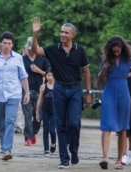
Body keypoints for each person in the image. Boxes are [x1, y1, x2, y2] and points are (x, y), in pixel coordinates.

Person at [31, 17, 92, 169]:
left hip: (75, 89)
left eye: (66, 32)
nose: (63, 34)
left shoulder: (80, 50)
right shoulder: (53, 49)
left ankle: (74, 150)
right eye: (61, 32)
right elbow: (35, 51)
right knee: (61, 125)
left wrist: (89, 92)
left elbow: (86, 71)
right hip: (59, 88)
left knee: (74, 123)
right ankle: (64, 159)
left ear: (73, 35)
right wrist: (35, 34)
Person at [98, 35, 131, 170]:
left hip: (124, 91)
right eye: (113, 51)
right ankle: (105, 158)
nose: (116, 53)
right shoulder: (106, 59)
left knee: (123, 126)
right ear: (109, 50)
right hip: (109, 90)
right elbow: (100, 78)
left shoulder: (129, 58)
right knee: (106, 124)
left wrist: (129, 75)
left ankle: (119, 160)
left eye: (118, 50)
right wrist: (105, 68)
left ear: (122, 49)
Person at [0, 31, 30, 161]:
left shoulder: (18, 58)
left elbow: (23, 76)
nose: (7, 46)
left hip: (13, 94)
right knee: (1, 123)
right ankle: (3, 150)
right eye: (4, 43)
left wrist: (27, 92)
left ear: (12, 44)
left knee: (10, 121)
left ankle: (7, 149)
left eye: (9, 43)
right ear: (0, 43)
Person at [21, 36, 49, 146]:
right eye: (29, 49)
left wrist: (39, 71)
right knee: (27, 115)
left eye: (32, 49)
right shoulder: (22, 60)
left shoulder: (42, 60)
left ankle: (33, 133)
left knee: (38, 115)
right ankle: (27, 138)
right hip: (25, 91)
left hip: (39, 91)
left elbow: (49, 75)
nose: (30, 51)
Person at [36, 68, 56, 156]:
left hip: (54, 111)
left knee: (52, 130)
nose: (50, 77)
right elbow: (40, 99)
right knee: (45, 130)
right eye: (48, 75)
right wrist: (37, 112)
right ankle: (46, 149)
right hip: (45, 110)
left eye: (52, 75)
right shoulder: (43, 87)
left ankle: (53, 142)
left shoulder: (57, 86)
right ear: (46, 76)